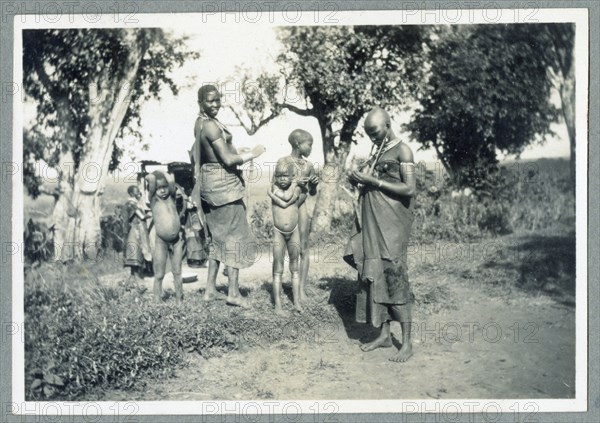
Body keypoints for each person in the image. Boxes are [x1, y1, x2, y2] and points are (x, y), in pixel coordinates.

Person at [344, 107, 417, 363]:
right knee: (375, 277)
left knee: (394, 277)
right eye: (368, 134)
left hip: (392, 226)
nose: (372, 138)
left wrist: (373, 182)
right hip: (374, 224)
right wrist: (358, 180)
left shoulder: (402, 150)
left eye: (375, 132)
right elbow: (373, 182)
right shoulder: (378, 151)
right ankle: (385, 335)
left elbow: (409, 188)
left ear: (387, 125)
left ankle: (406, 343)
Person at [190, 84, 266, 307]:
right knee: (235, 238)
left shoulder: (200, 123)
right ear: (200, 102)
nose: (215, 104)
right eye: (210, 101)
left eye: (217, 100)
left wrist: (236, 151)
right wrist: (254, 153)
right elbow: (227, 160)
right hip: (224, 188)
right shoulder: (211, 126)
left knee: (217, 238)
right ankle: (233, 293)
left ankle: (210, 291)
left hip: (210, 184)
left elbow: (215, 154)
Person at [271, 129, 318, 304]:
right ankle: (281, 285)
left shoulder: (309, 166)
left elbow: (312, 193)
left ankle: (301, 289)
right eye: (309, 144)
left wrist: (314, 185)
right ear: (298, 144)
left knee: (304, 247)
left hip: (301, 207)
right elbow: (275, 187)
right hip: (286, 211)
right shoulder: (283, 162)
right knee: (285, 249)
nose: (311, 148)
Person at [268, 160, 303, 314]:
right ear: (275, 177)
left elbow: (287, 199)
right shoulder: (274, 188)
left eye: (286, 176)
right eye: (279, 176)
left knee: (295, 267)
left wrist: (295, 183)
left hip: (294, 231)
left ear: (292, 176)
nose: (282, 179)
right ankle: (278, 306)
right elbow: (283, 201)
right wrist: (271, 192)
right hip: (278, 232)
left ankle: (296, 303)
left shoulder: (296, 190)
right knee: (278, 268)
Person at [146, 170, 184, 303]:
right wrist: (152, 176)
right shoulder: (153, 200)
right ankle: (156, 300)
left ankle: (180, 299)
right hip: (161, 241)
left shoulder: (171, 198)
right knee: (159, 273)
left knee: (177, 271)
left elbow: (172, 183)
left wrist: (167, 176)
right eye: (158, 188)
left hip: (177, 241)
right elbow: (151, 183)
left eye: (164, 187)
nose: (162, 191)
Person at [123, 185, 152, 286]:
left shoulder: (134, 203)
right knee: (135, 252)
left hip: (137, 229)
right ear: (131, 194)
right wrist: (152, 214)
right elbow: (142, 216)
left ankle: (134, 276)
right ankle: (136, 276)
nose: (139, 193)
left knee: (136, 252)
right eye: (137, 192)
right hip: (135, 230)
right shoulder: (132, 204)